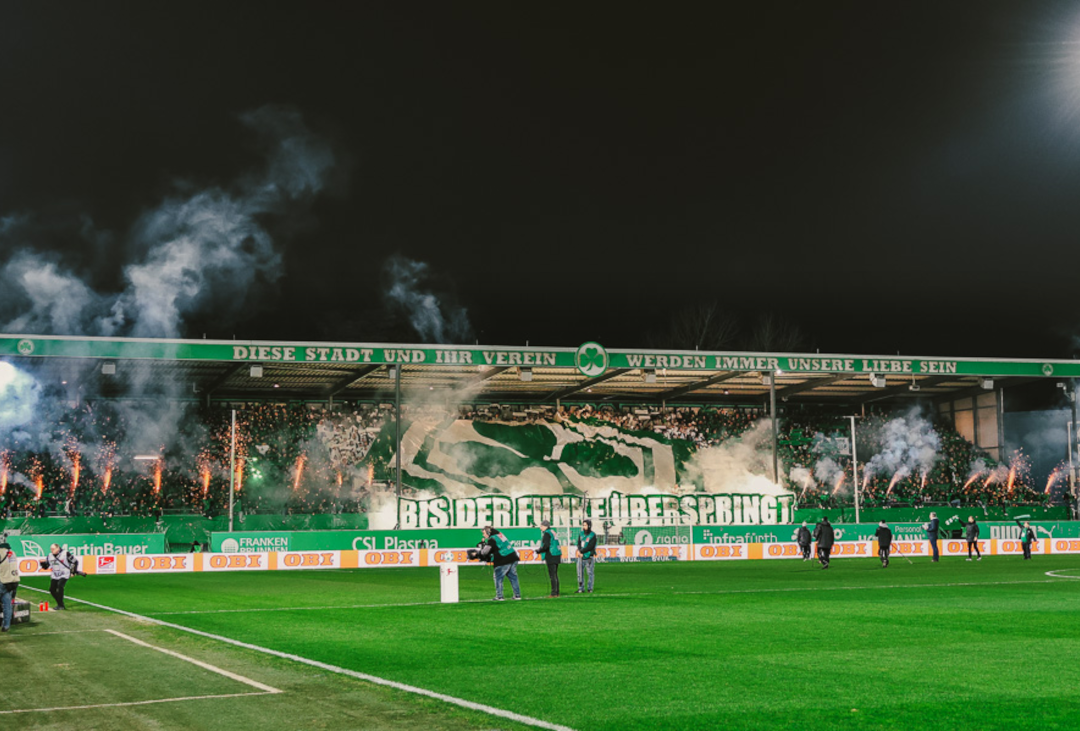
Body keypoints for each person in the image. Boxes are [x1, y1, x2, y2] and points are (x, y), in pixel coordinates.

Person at [479, 526, 521, 601]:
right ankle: (517, 595)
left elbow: (484, 552)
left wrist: (481, 551)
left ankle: (499, 596)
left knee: (498, 578)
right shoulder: (500, 535)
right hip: (513, 556)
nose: (483, 535)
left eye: (484, 533)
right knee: (513, 577)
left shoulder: (492, 539)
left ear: (488, 532)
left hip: (503, 559)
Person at [40, 543, 79, 610]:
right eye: (51, 549)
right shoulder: (49, 556)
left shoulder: (65, 553)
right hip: (55, 575)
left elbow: (75, 562)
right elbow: (46, 567)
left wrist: (73, 571)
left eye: (53, 549)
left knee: (60, 585)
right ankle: (60, 603)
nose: (52, 550)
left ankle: (60, 605)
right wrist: (42, 564)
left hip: (64, 574)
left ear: (58, 548)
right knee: (52, 590)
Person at [537, 519, 562, 596]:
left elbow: (546, 546)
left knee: (552, 575)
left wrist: (539, 550)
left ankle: (554, 592)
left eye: (541, 526)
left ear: (545, 526)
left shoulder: (547, 533)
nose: (540, 527)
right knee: (555, 574)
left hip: (551, 554)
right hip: (557, 553)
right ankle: (557, 591)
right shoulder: (553, 532)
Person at [0, 541, 20, 632]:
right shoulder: (13, 553)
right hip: (12, 582)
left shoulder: (0, 552)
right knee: (7, 605)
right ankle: (6, 625)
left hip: (2, 580)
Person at [575, 519, 597, 593]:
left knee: (590, 573)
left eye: (585, 525)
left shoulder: (592, 535)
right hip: (581, 556)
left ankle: (590, 588)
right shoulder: (581, 534)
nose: (584, 527)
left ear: (589, 526)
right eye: (583, 525)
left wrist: (581, 551)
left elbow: (590, 546)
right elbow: (578, 543)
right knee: (579, 573)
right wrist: (579, 550)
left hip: (589, 556)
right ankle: (581, 588)